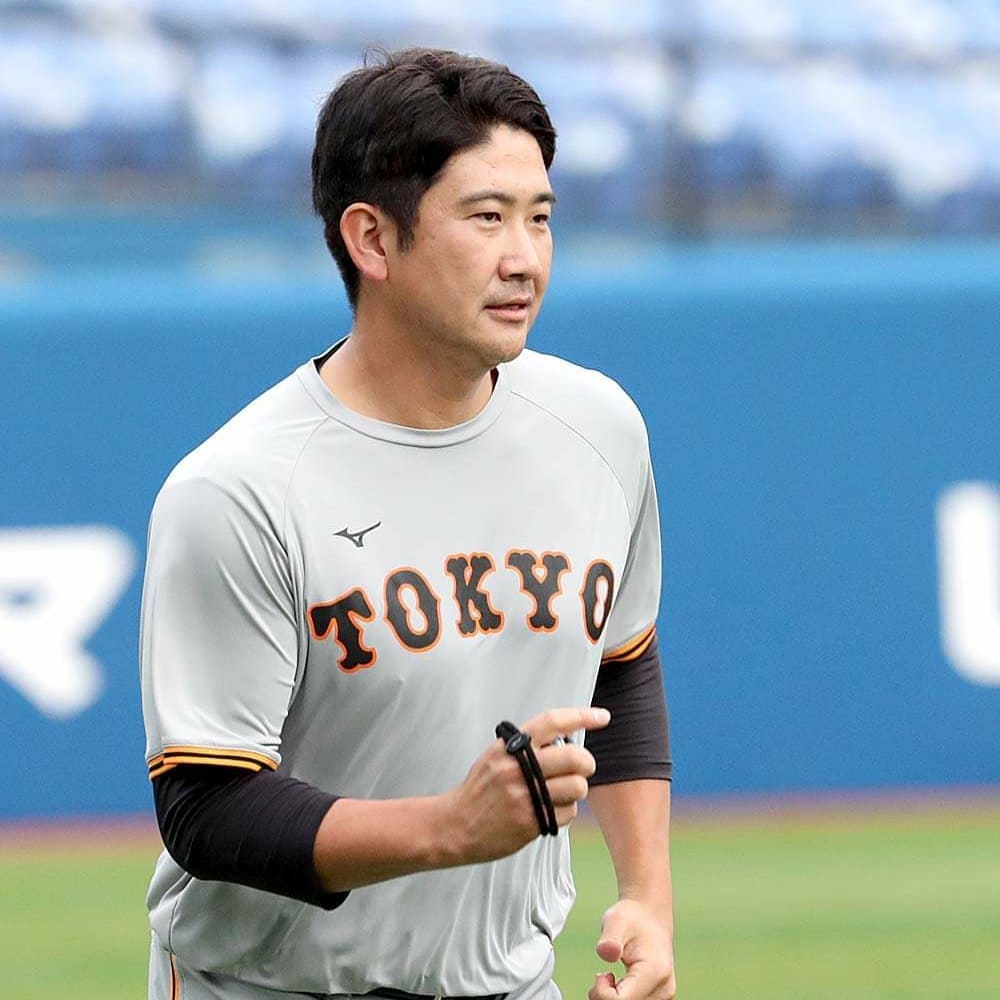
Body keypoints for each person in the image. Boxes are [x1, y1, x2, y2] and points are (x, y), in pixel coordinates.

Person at [140, 47, 675, 1000]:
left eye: (541, 217)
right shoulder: (240, 488)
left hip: (510, 982)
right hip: (269, 985)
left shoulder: (599, 428)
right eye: (486, 217)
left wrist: (646, 897)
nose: (525, 257)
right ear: (372, 240)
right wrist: (448, 828)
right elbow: (207, 806)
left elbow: (620, 662)